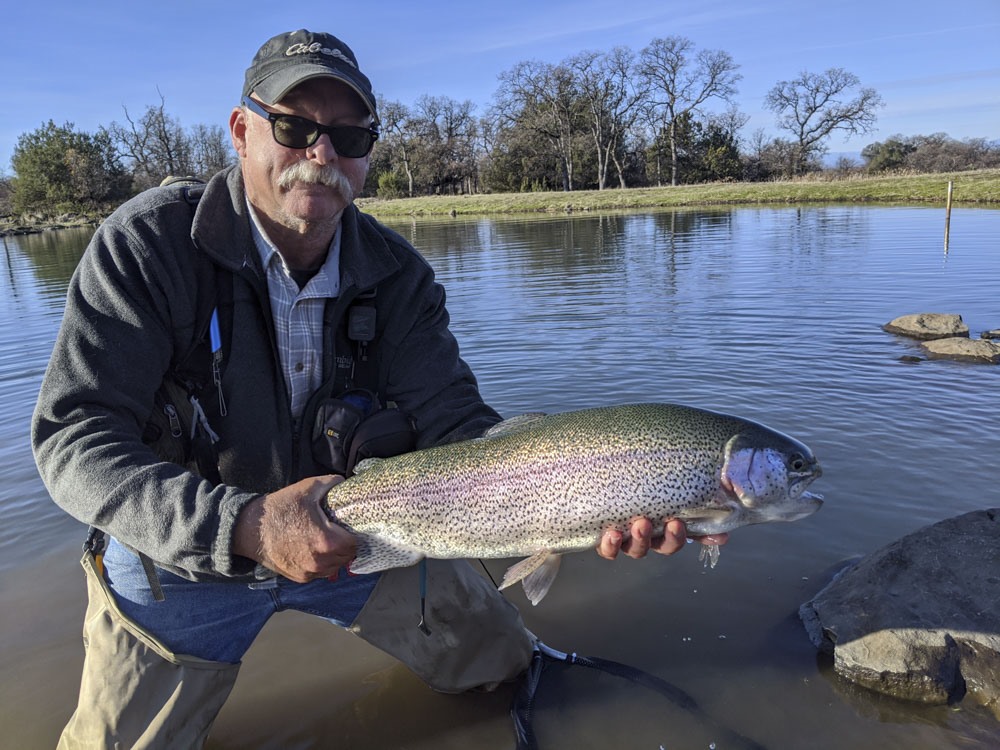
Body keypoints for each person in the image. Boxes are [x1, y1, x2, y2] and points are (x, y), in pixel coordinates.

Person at [32, 29, 725, 749]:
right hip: (181, 553)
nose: (322, 155)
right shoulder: (145, 247)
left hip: (371, 537)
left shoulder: (399, 277)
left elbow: (456, 424)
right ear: (242, 131)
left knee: (503, 670)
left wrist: (588, 498)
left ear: (367, 151)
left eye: (349, 135)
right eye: (294, 128)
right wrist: (247, 527)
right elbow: (72, 441)